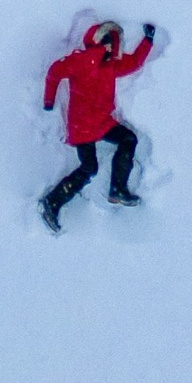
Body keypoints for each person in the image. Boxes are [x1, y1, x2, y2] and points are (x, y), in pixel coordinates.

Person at [40, 18, 155, 229]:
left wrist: (147, 41)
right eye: (112, 42)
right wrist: (49, 101)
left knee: (128, 140)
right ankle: (51, 201)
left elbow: (134, 63)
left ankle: (117, 189)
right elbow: (55, 72)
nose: (115, 47)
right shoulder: (81, 60)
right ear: (102, 41)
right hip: (82, 125)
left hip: (101, 123)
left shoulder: (111, 65)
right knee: (89, 167)